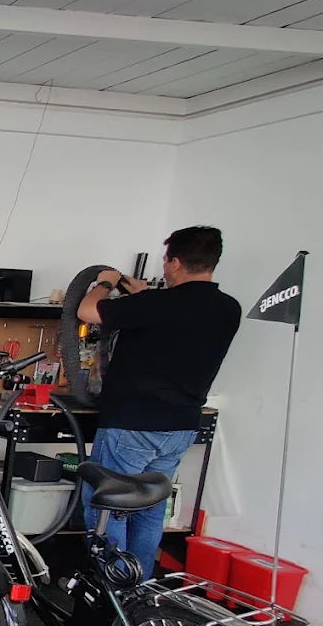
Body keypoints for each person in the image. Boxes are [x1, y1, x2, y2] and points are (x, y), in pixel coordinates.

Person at [75, 226, 241, 578]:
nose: (165, 267)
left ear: (176, 262)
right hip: (181, 426)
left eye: (167, 261)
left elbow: (87, 311)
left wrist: (104, 283)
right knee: (150, 508)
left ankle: (112, 588)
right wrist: (144, 296)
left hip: (133, 425)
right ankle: (138, 591)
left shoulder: (156, 305)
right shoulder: (229, 308)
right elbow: (178, 321)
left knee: (108, 507)